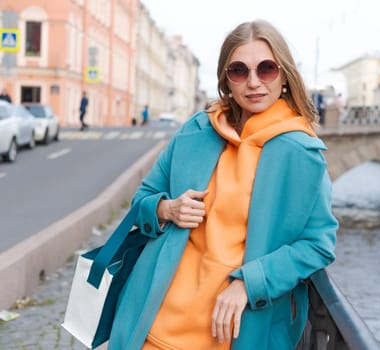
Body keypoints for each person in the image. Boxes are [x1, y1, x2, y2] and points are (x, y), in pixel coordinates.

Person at [108, 20, 338, 350]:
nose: (254, 82)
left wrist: (249, 283)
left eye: (267, 69)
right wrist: (167, 208)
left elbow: (318, 244)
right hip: (153, 320)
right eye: (239, 71)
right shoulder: (197, 131)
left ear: (284, 75)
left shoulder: (301, 153)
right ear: (226, 80)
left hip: (232, 331)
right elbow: (142, 199)